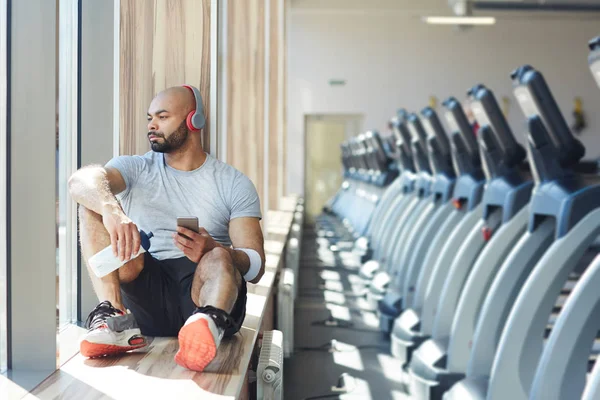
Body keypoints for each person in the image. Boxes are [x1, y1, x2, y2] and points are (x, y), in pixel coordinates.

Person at [68, 85, 265, 372]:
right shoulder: (135, 168)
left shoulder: (233, 183)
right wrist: (113, 213)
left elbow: (256, 266)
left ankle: (205, 326)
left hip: (206, 291)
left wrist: (217, 249)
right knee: (92, 204)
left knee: (220, 257)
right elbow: (80, 181)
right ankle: (113, 318)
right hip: (149, 292)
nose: (151, 125)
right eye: (149, 118)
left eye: (162, 116)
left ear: (193, 120)